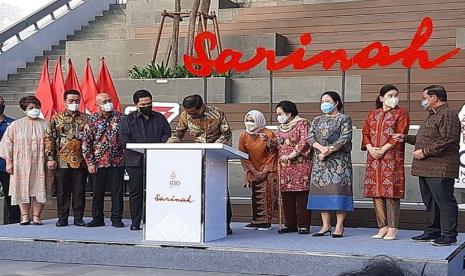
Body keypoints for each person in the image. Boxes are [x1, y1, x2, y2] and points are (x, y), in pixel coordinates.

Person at [393, 85, 460, 246]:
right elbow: (426, 139)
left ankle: (449, 235)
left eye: (425, 97)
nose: (422, 101)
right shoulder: (432, 115)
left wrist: (425, 152)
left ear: (434, 98)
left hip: (440, 167)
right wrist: (406, 138)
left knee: (444, 201)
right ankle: (432, 231)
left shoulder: (448, 115)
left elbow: (447, 139)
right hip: (426, 167)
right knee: (431, 202)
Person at [168, 94, 233, 234]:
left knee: (219, 190)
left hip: (216, 156)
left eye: (193, 112)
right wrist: (172, 142)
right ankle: (198, 223)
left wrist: (215, 147)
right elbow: (177, 133)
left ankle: (224, 224)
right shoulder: (185, 115)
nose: (190, 115)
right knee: (197, 190)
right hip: (196, 156)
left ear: (201, 107)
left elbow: (226, 133)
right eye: (188, 112)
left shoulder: (217, 112)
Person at [361, 85, 410, 240]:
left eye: (396, 95)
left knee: (391, 192)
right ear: (381, 98)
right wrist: (370, 148)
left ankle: (393, 227)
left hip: (392, 157)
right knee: (376, 192)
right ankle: (382, 226)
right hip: (373, 158)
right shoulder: (372, 113)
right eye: (390, 95)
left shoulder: (401, 113)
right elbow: (365, 132)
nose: (393, 97)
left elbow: (400, 134)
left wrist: (383, 149)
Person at [119, 90, 171, 231]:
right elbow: (124, 139)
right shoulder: (127, 120)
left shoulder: (159, 118)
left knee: (157, 192)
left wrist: (160, 145)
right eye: (143, 104)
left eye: (149, 103)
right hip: (135, 161)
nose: (147, 106)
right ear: (136, 104)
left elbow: (167, 133)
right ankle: (136, 222)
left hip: (156, 161)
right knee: (136, 192)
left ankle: (154, 220)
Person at [0, 96, 53, 225]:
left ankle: (36, 216)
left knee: (40, 187)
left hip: (41, 162)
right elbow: (6, 143)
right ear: (24, 109)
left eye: (37, 107)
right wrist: (9, 161)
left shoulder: (46, 124)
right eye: (31, 108)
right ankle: (25, 216)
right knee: (22, 187)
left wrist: (51, 159)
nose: (34, 110)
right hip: (21, 162)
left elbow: (52, 143)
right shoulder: (16, 125)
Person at [307, 91, 353, 238]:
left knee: (339, 190)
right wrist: (320, 148)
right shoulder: (317, 120)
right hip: (320, 161)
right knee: (322, 190)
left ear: (336, 103)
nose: (324, 104)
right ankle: (325, 225)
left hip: (339, 161)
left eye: (327, 101)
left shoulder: (344, 119)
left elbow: (345, 137)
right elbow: (310, 136)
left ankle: (339, 226)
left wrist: (328, 150)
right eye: (322, 101)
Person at [264, 101, 312, 234]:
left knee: (302, 195)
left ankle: (303, 225)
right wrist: (268, 141)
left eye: (280, 114)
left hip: (300, 165)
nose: (278, 116)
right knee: (287, 196)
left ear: (289, 113)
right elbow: (278, 144)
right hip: (285, 167)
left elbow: (305, 141)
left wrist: (292, 155)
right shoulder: (281, 128)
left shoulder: (303, 123)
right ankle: (290, 224)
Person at [45, 90, 88, 227]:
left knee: (79, 191)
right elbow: (49, 138)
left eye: (76, 100)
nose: (74, 103)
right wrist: (50, 158)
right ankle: (62, 218)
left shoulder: (86, 118)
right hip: (62, 160)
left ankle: (78, 218)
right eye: (71, 101)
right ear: (65, 101)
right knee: (63, 191)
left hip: (81, 161)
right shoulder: (56, 118)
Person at [82, 93, 125, 228]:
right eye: (104, 101)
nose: (108, 103)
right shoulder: (91, 120)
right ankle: (97, 218)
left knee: (117, 192)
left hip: (117, 161)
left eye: (109, 100)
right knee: (97, 192)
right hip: (98, 162)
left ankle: (117, 218)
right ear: (97, 105)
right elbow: (86, 143)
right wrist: (90, 162)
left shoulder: (121, 118)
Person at [238, 110, 277, 231]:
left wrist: (265, 171)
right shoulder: (243, 136)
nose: (249, 123)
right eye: (247, 120)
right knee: (255, 195)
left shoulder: (268, 133)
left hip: (268, 170)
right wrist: (253, 171)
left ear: (259, 121)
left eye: (252, 120)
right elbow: (243, 155)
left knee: (267, 195)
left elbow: (274, 152)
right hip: (253, 170)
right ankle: (256, 220)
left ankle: (266, 222)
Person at [0, 96, 20, 224]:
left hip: (6, 165)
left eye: (1, 102)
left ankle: (14, 223)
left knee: (11, 195)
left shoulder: (12, 123)